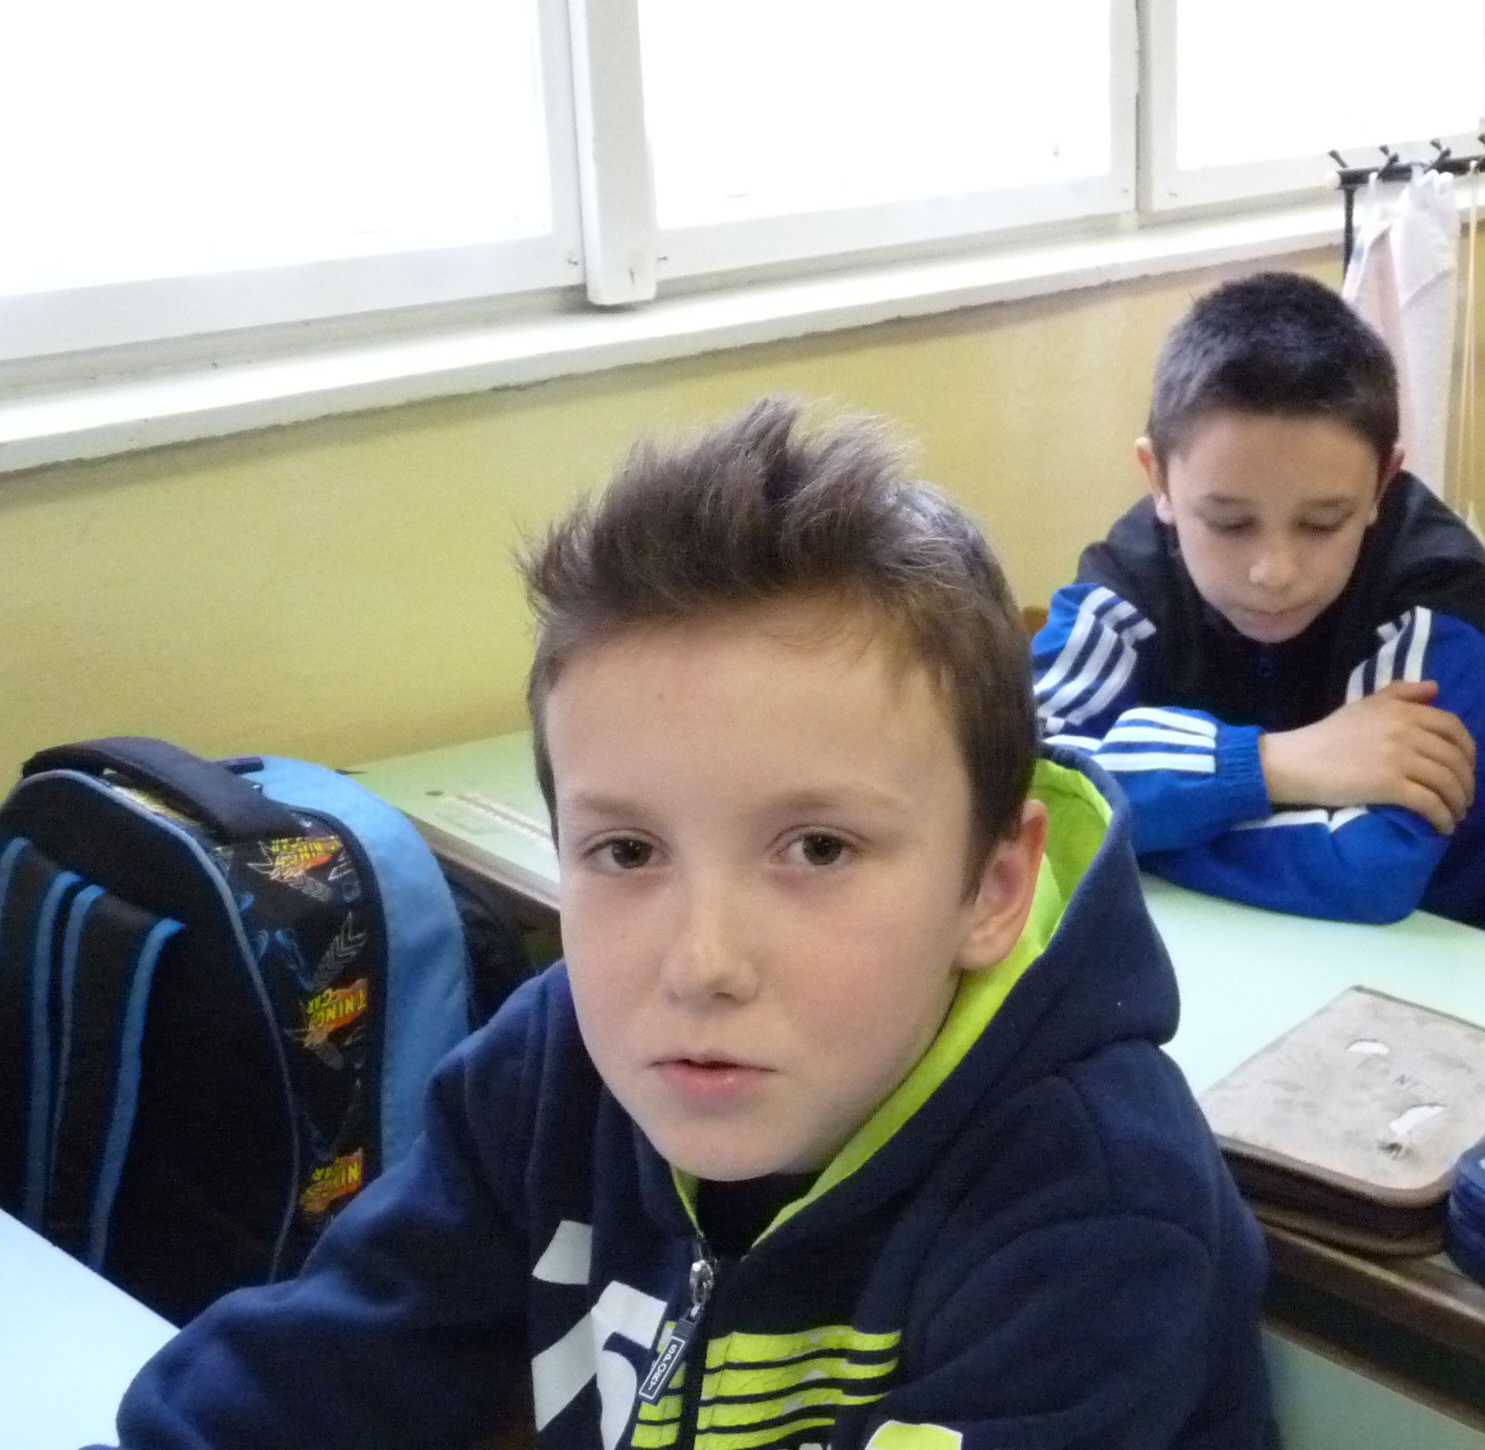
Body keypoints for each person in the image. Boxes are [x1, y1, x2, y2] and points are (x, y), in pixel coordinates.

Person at [110, 398, 1275, 1450]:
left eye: (818, 849)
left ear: (992, 888)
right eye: (626, 852)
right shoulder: (549, 1075)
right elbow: (293, 1383)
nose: (701, 964)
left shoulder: (1095, 1207)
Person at [1033, 270, 1485, 932]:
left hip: (1450, 962)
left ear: (1382, 483)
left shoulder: (1432, 583)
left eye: (1323, 524)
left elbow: (1373, 870)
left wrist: (1114, 826)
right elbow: (1018, 777)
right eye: (1230, 523)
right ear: (1159, 481)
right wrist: (1267, 764)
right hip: (1214, 947)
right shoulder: (1131, 572)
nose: (1274, 572)